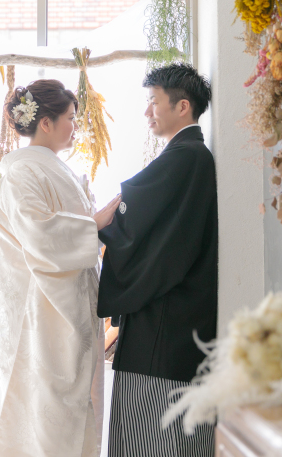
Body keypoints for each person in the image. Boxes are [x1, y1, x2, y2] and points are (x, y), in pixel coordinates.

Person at [0, 79, 120, 457]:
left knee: (80, 413)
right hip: (48, 313)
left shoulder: (58, 170)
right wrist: (93, 225)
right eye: (70, 118)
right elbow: (39, 235)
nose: (75, 126)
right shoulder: (23, 174)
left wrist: (94, 226)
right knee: (51, 423)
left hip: (75, 306)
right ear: (45, 123)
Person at [97, 63, 218, 457]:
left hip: (164, 332)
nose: (147, 112)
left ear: (182, 107)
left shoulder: (186, 157)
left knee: (152, 439)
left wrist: (102, 224)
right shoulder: (191, 155)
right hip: (177, 326)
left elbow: (133, 220)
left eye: (153, 102)